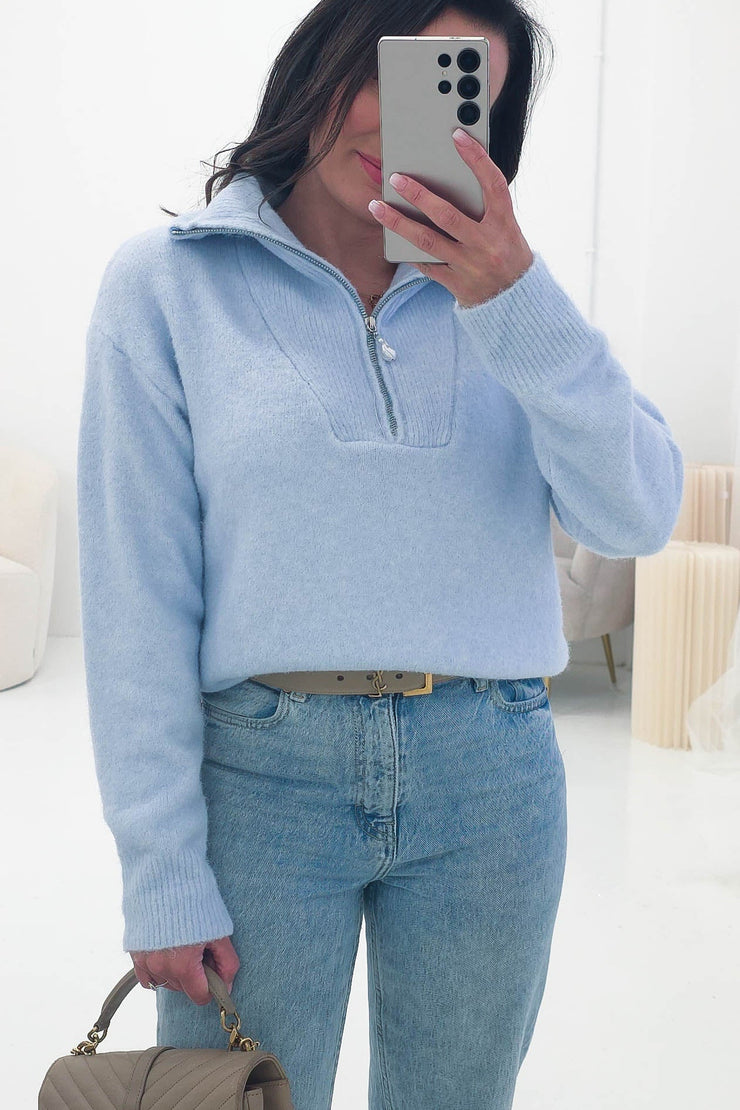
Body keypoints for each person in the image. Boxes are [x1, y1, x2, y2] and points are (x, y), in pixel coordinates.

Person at [76, 2, 684, 1107]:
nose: (403, 121)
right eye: (387, 71)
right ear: (320, 62)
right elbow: (137, 604)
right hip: (258, 781)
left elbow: (636, 515)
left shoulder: (514, 301)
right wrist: (160, 869)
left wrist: (512, 298)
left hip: (489, 778)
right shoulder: (165, 285)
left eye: (460, 92)